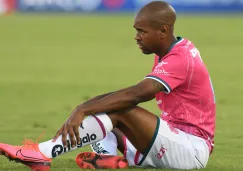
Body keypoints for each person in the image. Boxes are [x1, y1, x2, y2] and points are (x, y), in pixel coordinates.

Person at [0, 1, 216, 171]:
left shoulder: (180, 59)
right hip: (174, 139)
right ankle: (107, 158)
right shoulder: (170, 51)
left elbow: (138, 94)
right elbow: (125, 95)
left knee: (121, 109)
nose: (136, 37)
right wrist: (86, 106)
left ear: (163, 30)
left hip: (191, 149)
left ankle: (41, 153)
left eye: (142, 31)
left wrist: (83, 109)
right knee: (111, 110)